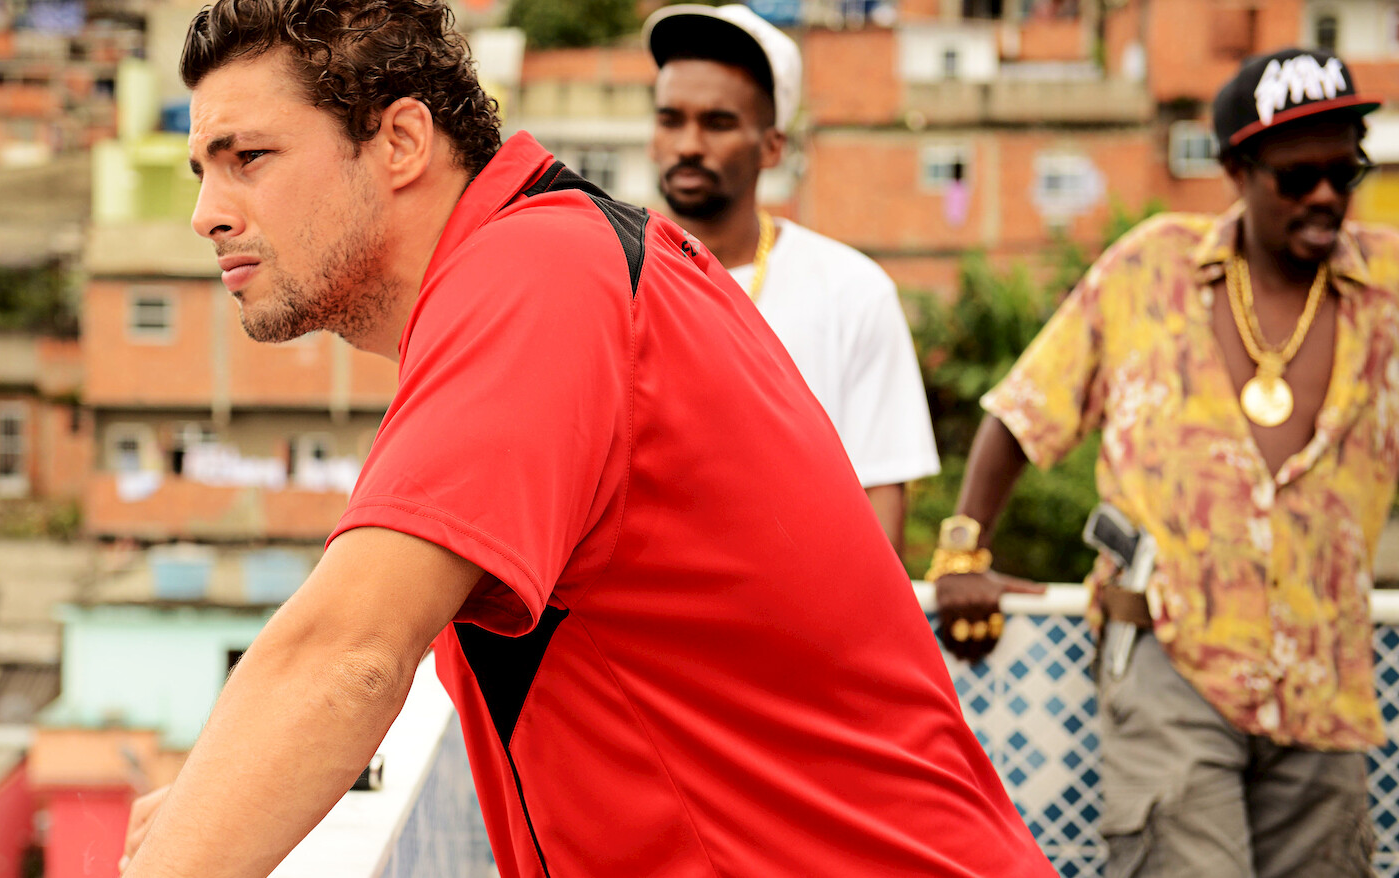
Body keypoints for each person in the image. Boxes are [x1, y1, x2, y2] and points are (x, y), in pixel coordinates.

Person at [120, 1, 1052, 875]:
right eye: (203, 170)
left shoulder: (538, 278)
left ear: (401, 141)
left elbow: (347, 654)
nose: (207, 213)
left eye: (249, 157)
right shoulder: (571, 252)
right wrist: (216, 796)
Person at [931, 47, 1393, 877]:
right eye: (1297, 178)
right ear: (1236, 170)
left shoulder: (1388, 283)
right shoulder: (1149, 267)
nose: (1326, 195)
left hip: (1327, 678)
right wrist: (964, 548)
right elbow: (1023, 411)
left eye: (1343, 171)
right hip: (1171, 661)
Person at [644, 4, 939, 552]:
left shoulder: (853, 292)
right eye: (670, 119)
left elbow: (880, 500)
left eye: (718, 123)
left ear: (773, 146)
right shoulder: (607, 279)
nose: (688, 145)